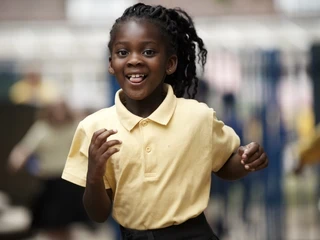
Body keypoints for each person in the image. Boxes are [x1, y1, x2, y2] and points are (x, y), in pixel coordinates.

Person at [62, 3, 269, 240]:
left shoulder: (198, 117)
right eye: (122, 52)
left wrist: (245, 161)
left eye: (148, 52)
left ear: (170, 63)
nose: (134, 60)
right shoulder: (94, 128)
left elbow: (223, 166)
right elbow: (98, 214)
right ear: (111, 63)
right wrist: (94, 175)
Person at [8, 100, 94, 240]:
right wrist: (16, 159)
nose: (59, 114)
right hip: (49, 183)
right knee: (51, 224)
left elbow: (88, 144)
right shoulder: (41, 128)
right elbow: (25, 148)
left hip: (69, 182)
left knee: (66, 224)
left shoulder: (74, 126)